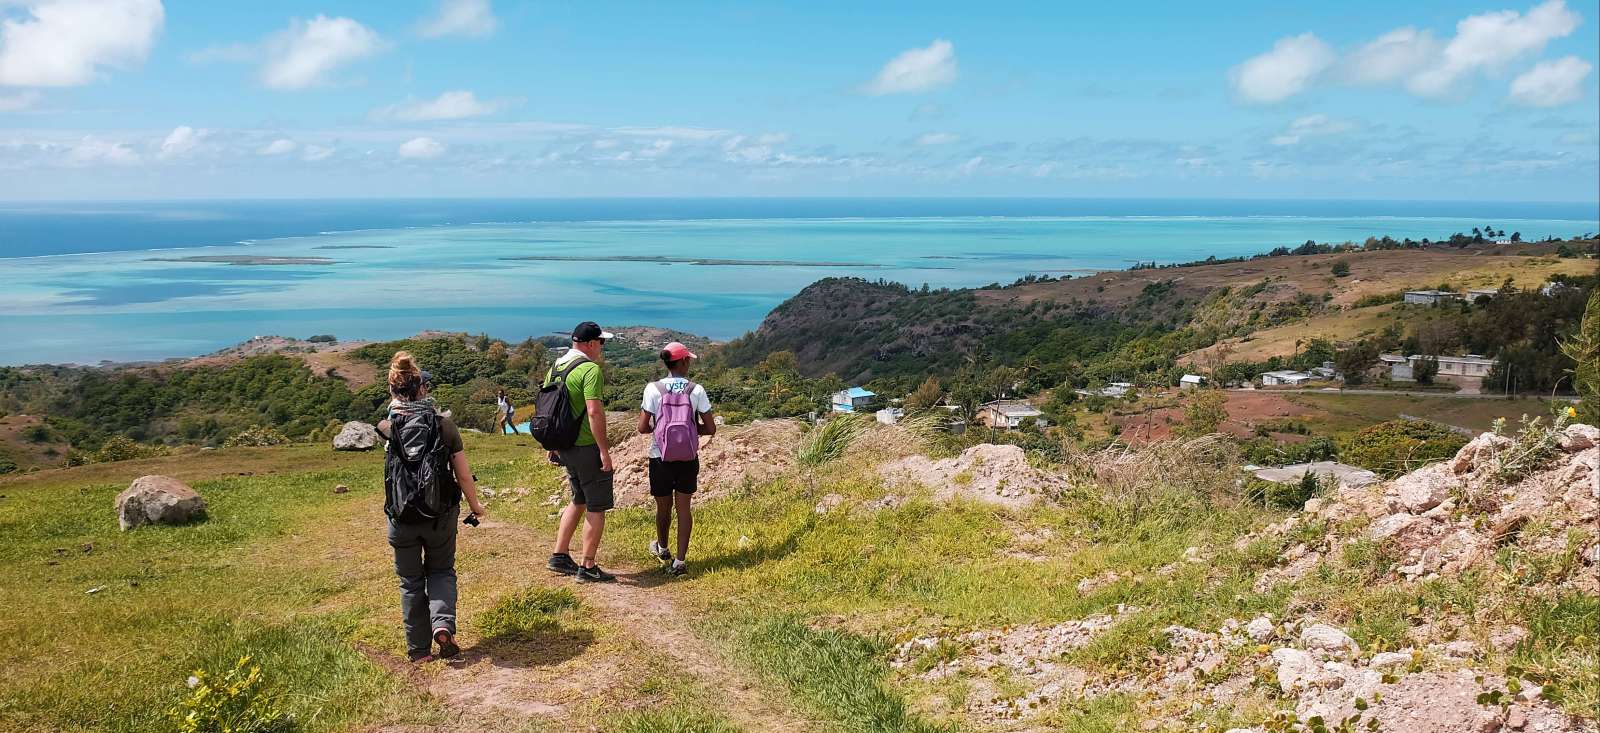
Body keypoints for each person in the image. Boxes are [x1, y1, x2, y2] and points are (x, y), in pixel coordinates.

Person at [378, 351, 489, 662]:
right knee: (441, 570)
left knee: (410, 582)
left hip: (401, 516)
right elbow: (463, 475)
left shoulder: (386, 427)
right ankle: (443, 626)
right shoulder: (444, 426)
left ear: (392, 389)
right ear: (422, 388)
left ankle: (418, 650)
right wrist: (475, 505)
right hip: (440, 515)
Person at [545, 321, 617, 583]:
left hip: (565, 446)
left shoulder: (556, 366)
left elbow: (548, 409)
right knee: (596, 505)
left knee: (578, 498)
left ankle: (559, 554)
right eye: (601, 342)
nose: (602, 348)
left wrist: (553, 445)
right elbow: (594, 411)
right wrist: (604, 450)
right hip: (586, 446)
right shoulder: (590, 370)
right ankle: (587, 566)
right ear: (589, 344)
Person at [636, 342, 715, 576]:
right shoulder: (696, 390)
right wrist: (688, 431)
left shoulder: (653, 389)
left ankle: (662, 548)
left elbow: (642, 427)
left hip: (660, 456)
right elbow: (710, 428)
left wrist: (662, 429)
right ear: (683, 362)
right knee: (684, 509)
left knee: (663, 508)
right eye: (688, 359)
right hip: (688, 458)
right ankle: (680, 562)